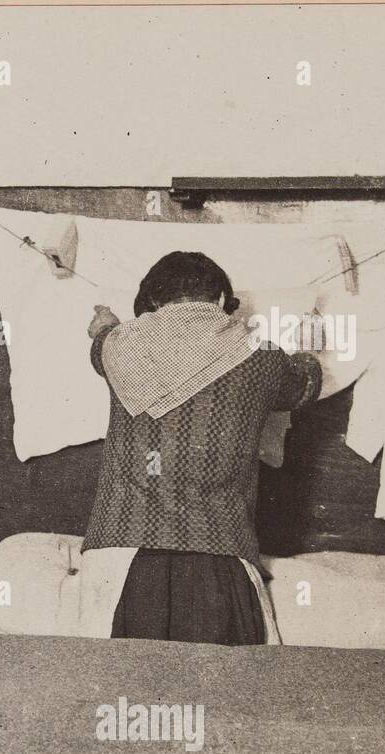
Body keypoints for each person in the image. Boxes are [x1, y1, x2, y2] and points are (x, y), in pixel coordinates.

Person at [80, 252, 322, 645]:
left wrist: (106, 326)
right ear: (222, 300)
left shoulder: (117, 348)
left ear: (153, 302)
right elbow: (305, 387)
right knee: (228, 697)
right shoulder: (261, 356)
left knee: (113, 691)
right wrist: (309, 349)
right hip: (219, 551)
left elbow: (102, 341)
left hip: (118, 549)